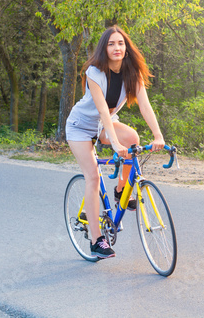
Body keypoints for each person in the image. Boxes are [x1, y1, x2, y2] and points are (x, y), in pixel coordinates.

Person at [66, 25, 165, 259]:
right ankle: (96, 239)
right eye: (111, 44)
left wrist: (158, 135)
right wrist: (114, 143)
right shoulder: (95, 72)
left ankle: (121, 191)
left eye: (120, 43)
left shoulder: (132, 72)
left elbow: (145, 105)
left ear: (126, 47)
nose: (116, 48)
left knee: (132, 139)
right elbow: (102, 110)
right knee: (92, 176)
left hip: (105, 123)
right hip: (81, 126)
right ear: (104, 48)